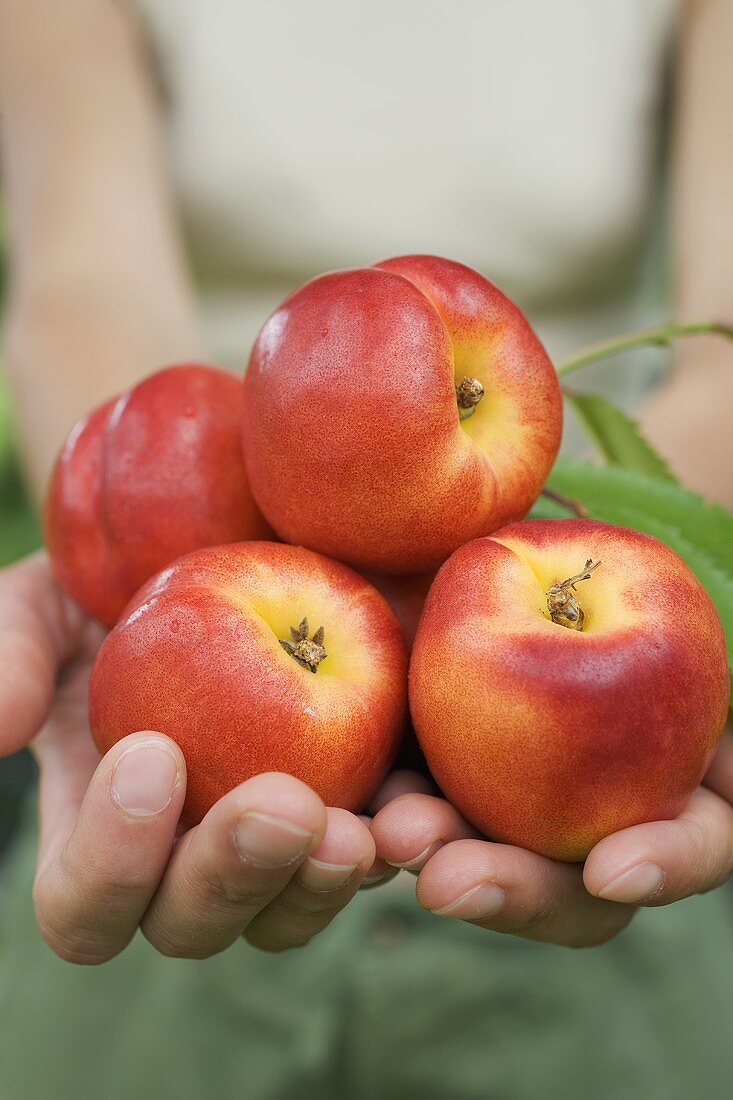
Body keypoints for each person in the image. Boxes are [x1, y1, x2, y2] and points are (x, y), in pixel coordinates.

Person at [0, 1, 732, 1097]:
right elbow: (85, 271)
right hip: (228, 505)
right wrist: (132, 551)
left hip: (540, 528)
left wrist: (609, 652)